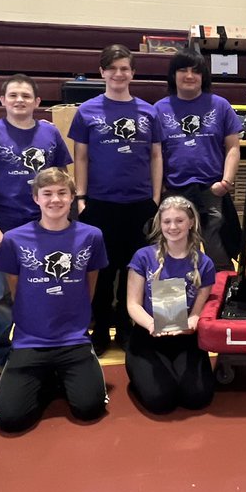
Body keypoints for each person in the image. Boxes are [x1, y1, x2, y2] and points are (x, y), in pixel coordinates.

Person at [0, 73, 72, 367]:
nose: (19, 101)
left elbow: (63, 181)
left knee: (42, 286)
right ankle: (0, 350)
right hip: (5, 228)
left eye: (26, 96)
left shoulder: (50, 134)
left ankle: (40, 343)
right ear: (2, 101)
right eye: (13, 95)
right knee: (1, 296)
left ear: (37, 101)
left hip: (43, 228)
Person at [0, 168, 109, 432]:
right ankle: (46, 379)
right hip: (30, 340)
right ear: (36, 198)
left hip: (73, 339)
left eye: (61, 193)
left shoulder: (91, 236)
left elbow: (90, 282)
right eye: (47, 194)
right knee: (12, 420)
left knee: (90, 408)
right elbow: (15, 287)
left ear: (72, 197)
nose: (54, 200)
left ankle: (62, 376)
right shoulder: (14, 239)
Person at [68, 45, 163, 355]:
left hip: (138, 203)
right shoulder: (87, 111)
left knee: (133, 268)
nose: (119, 74)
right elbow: (80, 156)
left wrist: (155, 198)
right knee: (102, 269)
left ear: (132, 73)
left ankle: (125, 326)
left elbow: (156, 155)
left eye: (125, 68)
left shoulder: (149, 112)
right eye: (113, 68)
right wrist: (81, 197)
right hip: (100, 203)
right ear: (102, 72)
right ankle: (99, 328)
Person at [124, 196, 217, 415]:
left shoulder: (204, 263)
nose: (173, 227)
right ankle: (141, 372)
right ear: (160, 223)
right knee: (160, 402)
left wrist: (193, 322)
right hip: (148, 337)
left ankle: (175, 376)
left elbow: (198, 310)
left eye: (179, 220)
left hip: (185, 337)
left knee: (197, 398)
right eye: (167, 222)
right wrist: (151, 324)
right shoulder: (143, 257)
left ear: (191, 222)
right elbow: (133, 304)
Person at [155, 50, 243, 272]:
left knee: (219, 252)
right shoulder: (158, 109)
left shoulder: (220, 105)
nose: (189, 75)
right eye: (183, 70)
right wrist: (160, 188)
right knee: (174, 251)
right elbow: (154, 154)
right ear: (173, 75)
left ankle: (223, 301)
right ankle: (178, 303)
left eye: (195, 71)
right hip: (174, 190)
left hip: (212, 190)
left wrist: (226, 182)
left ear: (204, 76)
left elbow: (233, 147)